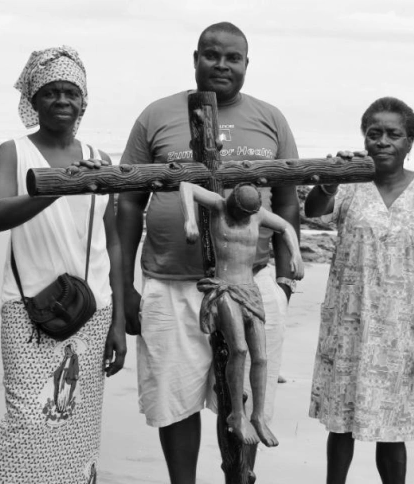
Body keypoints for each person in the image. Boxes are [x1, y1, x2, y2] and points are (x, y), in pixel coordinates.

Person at [117, 21, 300, 483]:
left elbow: (287, 201)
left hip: (249, 284)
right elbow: (127, 205)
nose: (221, 64)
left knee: (243, 393)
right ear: (195, 58)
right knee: (174, 400)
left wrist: (282, 282)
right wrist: (125, 291)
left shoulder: (270, 118)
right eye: (211, 55)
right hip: (170, 283)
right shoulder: (157, 115)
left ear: (246, 64)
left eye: (232, 57)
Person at [0, 45, 127, 483]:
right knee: (29, 420)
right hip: (29, 310)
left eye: (71, 93)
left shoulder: (100, 160)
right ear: (33, 99)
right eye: (50, 93)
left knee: (78, 421)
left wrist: (119, 319)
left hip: (93, 310)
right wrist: (58, 187)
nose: (62, 101)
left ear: (84, 101)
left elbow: (112, 241)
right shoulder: (14, 152)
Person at [306, 97, 414, 484]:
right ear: (365, 139)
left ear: (409, 143)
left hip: (402, 330)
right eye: (375, 134)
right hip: (348, 324)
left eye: (394, 134)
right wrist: (329, 179)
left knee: (393, 427)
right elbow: (314, 210)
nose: (383, 141)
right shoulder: (350, 186)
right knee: (341, 421)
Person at [179, 181, 304, 447]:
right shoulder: (218, 205)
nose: (244, 219)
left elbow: (285, 226)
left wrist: (296, 255)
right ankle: (237, 414)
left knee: (261, 356)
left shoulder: (257, 214)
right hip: (225, 288)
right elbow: (186, 185)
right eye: (240, 213)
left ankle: (257, 416)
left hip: (250, 288)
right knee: (239, 349)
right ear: (232, 204)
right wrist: (189, 220)